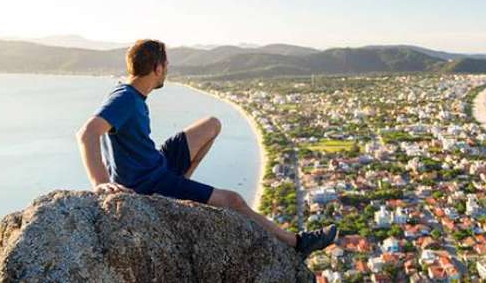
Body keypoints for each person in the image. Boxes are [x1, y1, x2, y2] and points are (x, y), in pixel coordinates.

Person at [76, 39, 337, 258]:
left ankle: (180, 185)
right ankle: (297, 244)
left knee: (211, 125)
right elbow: (88, 133)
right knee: (233, 200)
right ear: (157, 68)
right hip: (148, 182)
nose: (167, 71)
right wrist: (100, 182)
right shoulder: (124, 99)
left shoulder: (131, 94)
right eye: (166, 66)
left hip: (157, 163)